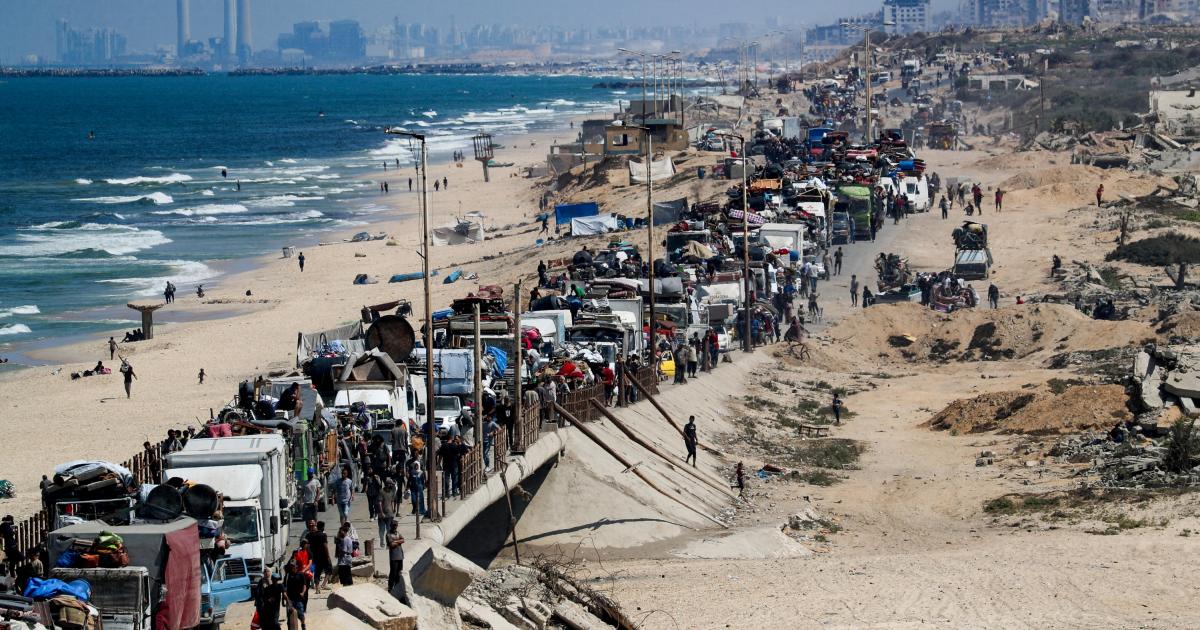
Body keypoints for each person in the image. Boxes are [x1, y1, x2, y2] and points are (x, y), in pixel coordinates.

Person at [305, 521, 332, 593]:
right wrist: (328, 556)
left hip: (315, 557)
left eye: (312, 525)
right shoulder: (322, 535)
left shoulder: (309, 535)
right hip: (322, 556)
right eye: (310, 525)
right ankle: (322, 585)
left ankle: (318, 588)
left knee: (317, 572)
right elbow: (325, 546)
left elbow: (307, 546)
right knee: (329, 569)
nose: (311, 527)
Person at [386, 521, 408, 602]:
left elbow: (403, 540)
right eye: (394, 525)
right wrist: (398, 541)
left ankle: (397, 587)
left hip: (400, 556)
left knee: (399, 572)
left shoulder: (398, 533)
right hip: (393, 557)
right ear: (391, 526)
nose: (395, 527)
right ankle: (390, 587)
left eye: (396, 525)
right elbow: (391, 545)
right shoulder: (388, 534)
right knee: (393, 572)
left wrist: (395, 542)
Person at [284, 561, 308, 630]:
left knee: (301, 615)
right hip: (290, 599)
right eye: (291, 566)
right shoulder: (288, 575)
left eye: (293, 566)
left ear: (296, 566)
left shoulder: (300, 575)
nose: (292, 567)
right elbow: (285, 586)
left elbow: (304, 585)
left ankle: (303, 625)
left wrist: (303, 593)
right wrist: (284, 595)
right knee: (289, 617)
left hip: (298, 599)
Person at [334, 522, 355, 587]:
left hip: (344, 561)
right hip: (347, 560)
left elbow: (343, 551)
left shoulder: (345, 539)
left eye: (341, 532)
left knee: (345, 577)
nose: (339, 533)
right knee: (348, 576)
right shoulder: (347, 538)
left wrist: (339, 547)